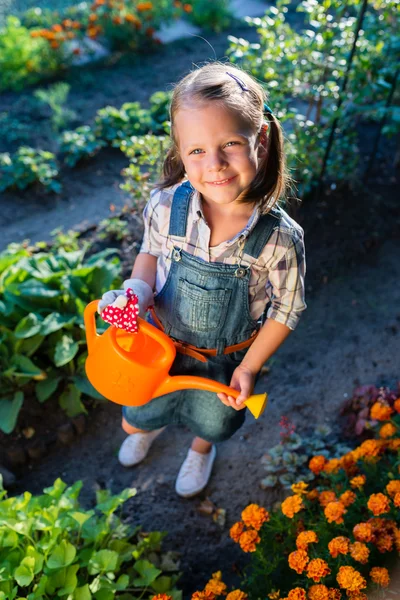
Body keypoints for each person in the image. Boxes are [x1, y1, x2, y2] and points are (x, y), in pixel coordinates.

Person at [98, 62, 306, 498]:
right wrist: (135, 296)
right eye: (196, 151)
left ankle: (199, 451)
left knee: (211, 420)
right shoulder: (164, 206)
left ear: (261, 142)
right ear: (179, 150)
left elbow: (286, 310)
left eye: (230, 144)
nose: (214, 165)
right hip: (160, 346)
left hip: (223, 361)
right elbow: (149, 256)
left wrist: (248, 367)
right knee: (139, 408)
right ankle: (149, 430)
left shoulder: (279, 238)